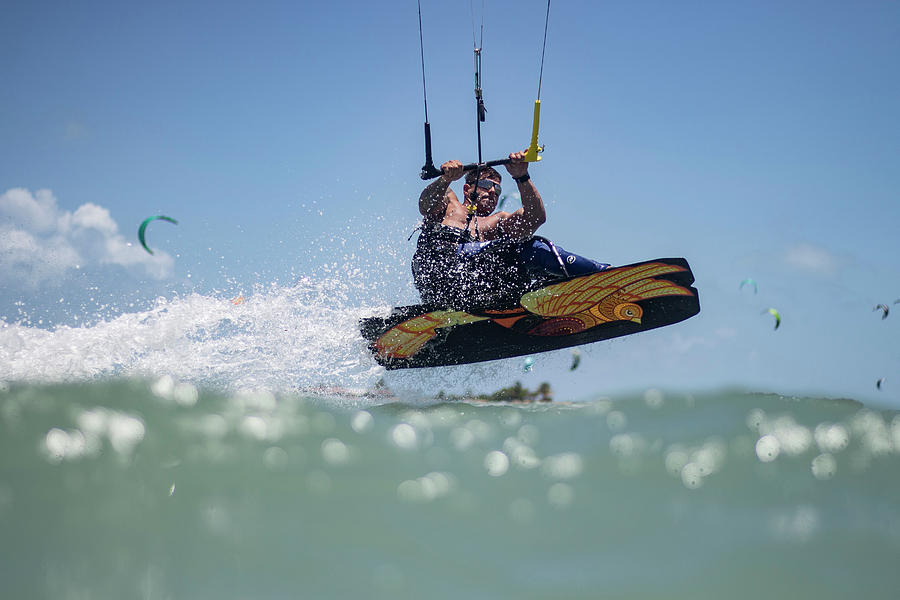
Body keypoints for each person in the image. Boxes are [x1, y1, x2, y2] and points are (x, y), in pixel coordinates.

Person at [412, 150, 609, 308]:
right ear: (467, 188)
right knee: (526, 249)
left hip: (471, 290)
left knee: (533, 252)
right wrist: (445, 179)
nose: (493, 192)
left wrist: (522, 176)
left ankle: (602, 279)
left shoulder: (495, 222)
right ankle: (602, 275)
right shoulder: (450, 203)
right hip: (437, 273)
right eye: (486, 185)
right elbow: (425, 205)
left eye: (497, 190)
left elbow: (535, 218)